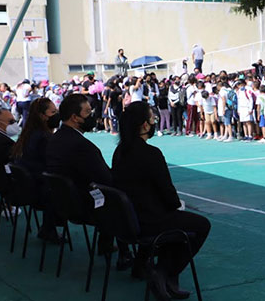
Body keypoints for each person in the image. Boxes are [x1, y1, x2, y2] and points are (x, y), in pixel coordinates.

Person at [112, 101, 211, 301]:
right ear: (144, 125)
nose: (154, 120)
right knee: (201, 225)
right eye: (151, 117)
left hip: (127, 220)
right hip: (149, 220)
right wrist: (177, 205)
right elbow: (167, 192)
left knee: (177, 221)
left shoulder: (120, 151)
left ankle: (161, 274)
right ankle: (164, 271)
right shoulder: (151, 153)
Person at [45, 94, 132, 268]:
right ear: (74, 118)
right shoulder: (81, 146)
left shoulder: (54, 139)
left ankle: (106, 244)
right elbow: (106, 179)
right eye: (87, 112)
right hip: (82, 205)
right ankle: (127, 254)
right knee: (120, 197)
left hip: (61, 202)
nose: (91, 116)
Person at [11, 98, 63, 243]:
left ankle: (48, 228)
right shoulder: (44, 137)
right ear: (42, 116)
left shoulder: (29, 133)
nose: (56, 115)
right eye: (53, 112)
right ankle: (49, 228)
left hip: (27, 187)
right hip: (40, 190)